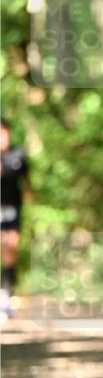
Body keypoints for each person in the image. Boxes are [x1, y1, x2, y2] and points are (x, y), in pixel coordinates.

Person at [1, 119, 29, 318]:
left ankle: (6, 294)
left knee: (11, 249)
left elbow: (26, 180)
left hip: (13, 209)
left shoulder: (17, 154)